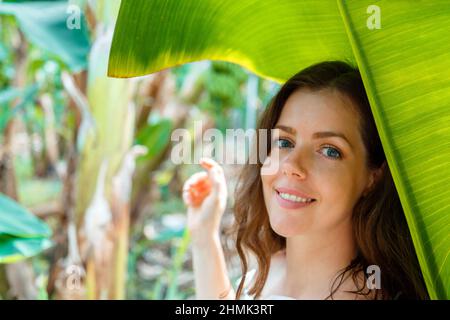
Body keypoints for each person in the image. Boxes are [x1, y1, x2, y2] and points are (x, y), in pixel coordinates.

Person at [182, 61, 429, 300]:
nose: (291, 165)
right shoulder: (271, 270)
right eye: (285, 142)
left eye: (330, 150)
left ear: (373, 177)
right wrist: (204, 237)